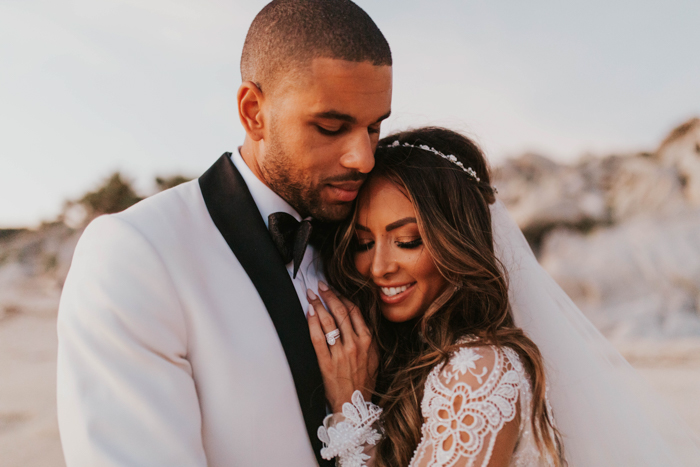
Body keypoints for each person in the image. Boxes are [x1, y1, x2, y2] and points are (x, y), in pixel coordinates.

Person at [56, 1, 391, 466]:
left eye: (375, 128)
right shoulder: (137, 253)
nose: (364, 158)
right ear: (253, 112)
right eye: (331, 127)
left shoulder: (375, 244)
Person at [306, 127, 700, 466]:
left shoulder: (478, 372)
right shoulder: (415, 357)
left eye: (407, 241)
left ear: (457, 243)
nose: (378, 267)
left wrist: (349, 408)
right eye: (362, 242)